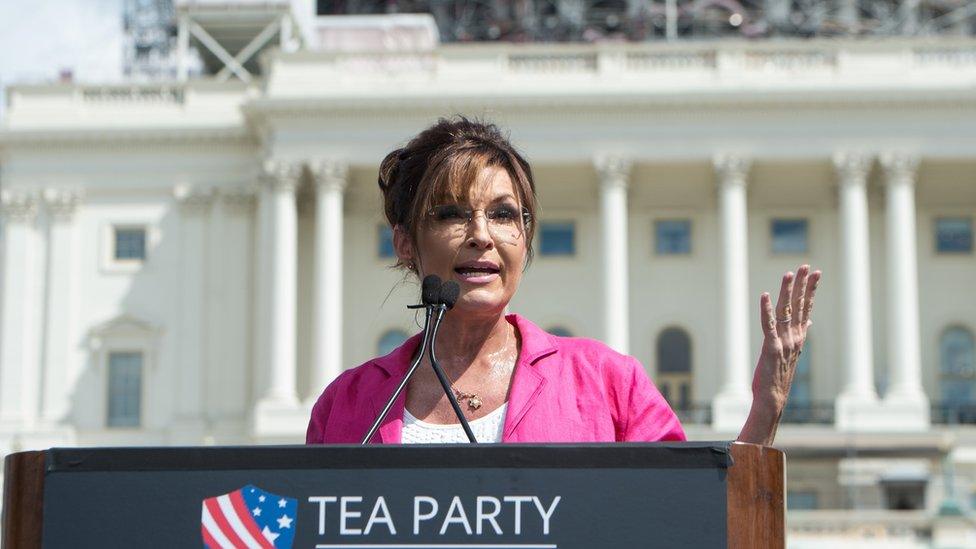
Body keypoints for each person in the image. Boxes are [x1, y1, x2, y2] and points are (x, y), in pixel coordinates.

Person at [305, 116, 821, 446]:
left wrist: (766, 410)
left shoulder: (607, 383)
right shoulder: (347, 406)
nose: (482, 235)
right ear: (406, 244)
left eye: (506, 215)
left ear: (525, 240)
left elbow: (689, 517)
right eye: (451, 214)